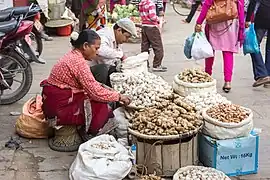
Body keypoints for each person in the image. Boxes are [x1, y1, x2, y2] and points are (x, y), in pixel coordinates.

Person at [40, 30, 131, 152]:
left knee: (100, 92)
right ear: (85, 46)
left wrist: (109, 91)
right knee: (100, 105)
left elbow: (91, 85)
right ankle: (92, 133)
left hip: (54, 98)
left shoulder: (74, 55)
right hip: (59, 104)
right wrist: (119, 97)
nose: (97, 52)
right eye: (96, 48)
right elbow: (96, 93)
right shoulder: (78, 63)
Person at [195, 0, 245, 93]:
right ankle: (228, 82)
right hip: (231, 19)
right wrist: (242, 24)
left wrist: (199, 22)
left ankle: (207, 75)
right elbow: (240, 4)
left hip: (215, 18)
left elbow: (207, 4)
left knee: (210, 49)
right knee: (228, 52)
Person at [92, 18, 137, 86]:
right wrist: (120, 55)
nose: (126, 40)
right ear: (119, 30)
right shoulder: (104, 35)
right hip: (91, 70)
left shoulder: (116, 39)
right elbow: (101, 50)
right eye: (126, 37)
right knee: (103, 69)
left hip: (103, 68)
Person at [246, 0, 270, 87]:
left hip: (263, 17)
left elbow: (253, 2)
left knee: (253, 46)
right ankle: (268, 76)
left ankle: (262, 74)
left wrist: (248, 19)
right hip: (264, 16)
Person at [139, 0, 167, 72]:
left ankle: (144, 63)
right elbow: (152, 17)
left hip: (144, 26)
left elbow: (141, 15)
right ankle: (157, 65)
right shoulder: (151, 4)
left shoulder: (141, 3)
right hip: (152, 27)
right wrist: (160, 20)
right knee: (158, 46)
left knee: (145, 46)